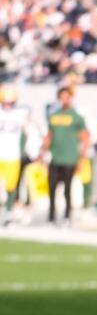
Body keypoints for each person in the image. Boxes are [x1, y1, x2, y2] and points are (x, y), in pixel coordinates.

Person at [39, 86, 90, 225]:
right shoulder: (54, 116)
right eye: (62, 96)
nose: (64, 99)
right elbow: (48, 137)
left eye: (66, 96)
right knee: (52, 188)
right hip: (55, 157)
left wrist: (82, 158)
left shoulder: (76, 117)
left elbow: (85, 138)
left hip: (70, 158)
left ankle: (67, 217)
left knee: (67, 190)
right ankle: (51, 217)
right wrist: (42, 153)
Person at [0, 84, 31, 225]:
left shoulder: (21, 114)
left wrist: (27, 149)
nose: (7, 105)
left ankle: (8, 212)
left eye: (10, 102)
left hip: (13, 155)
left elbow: (28, 132)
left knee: (11, 186)